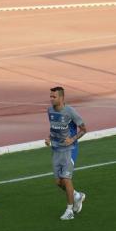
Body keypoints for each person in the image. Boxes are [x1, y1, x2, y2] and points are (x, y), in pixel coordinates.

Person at [45, 86, 87, 220]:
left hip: (70, 150)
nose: (51, 99)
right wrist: (49, 138)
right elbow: (54, 128)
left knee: (67, 179)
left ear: (62, 98)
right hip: (56, 149)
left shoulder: (70, 112)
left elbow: (84, 129)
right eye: (51, 96)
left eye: (54, 97)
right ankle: (77, 196)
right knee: (59, 182)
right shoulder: (50, 110)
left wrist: (72, 139)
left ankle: (69, 211)